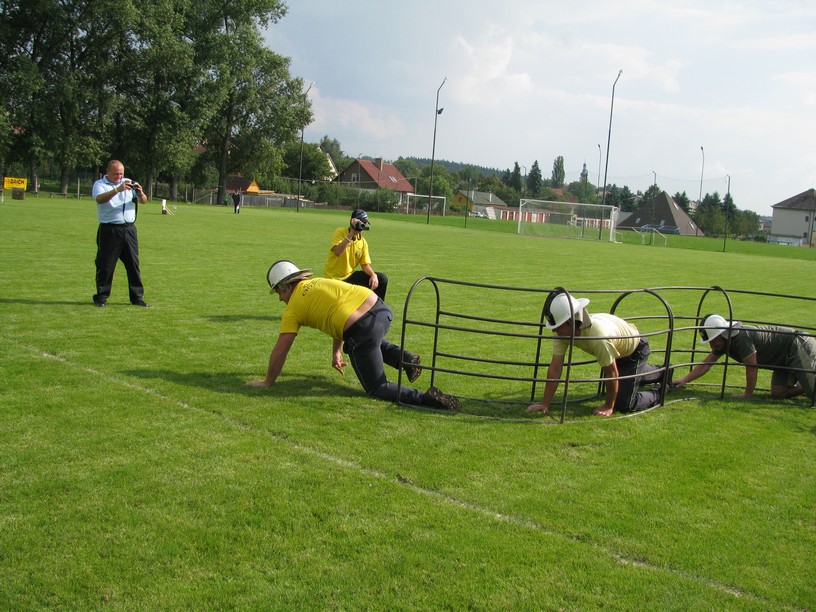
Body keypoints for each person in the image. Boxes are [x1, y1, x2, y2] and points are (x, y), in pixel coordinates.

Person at [248, 260, 460, 410]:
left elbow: (281, 349)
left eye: (278, 292)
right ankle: (405, 359)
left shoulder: (293, 309)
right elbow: (340, 313)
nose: (279, 299)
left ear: (286, 286)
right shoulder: (319, 282)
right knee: (366, 341)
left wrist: (268, 381)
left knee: (377, 386)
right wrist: (336, 352)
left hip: (362, 329)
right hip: (381, 310)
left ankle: (425, 398)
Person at [527, 290, 664, 417]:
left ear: (571, 322)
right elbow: (555, 368)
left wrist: (608, 406)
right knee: (625, 379)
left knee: (624, 404)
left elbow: (611, 373)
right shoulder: (562, 334)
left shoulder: (598, 336)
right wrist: (545, 404)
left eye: (558, 326)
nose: (554, 331)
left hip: (634, 350)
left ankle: (661, 391)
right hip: (617, 350)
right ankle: (664, 372)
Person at [672, 314, 816, 401]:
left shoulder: (741, 337)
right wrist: (684, 380)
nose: (711, 345)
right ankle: (804, 382)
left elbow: (752, 367)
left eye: (713, 340)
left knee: (814, 396)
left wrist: (747, 394)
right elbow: (706, 365)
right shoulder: (723, 343)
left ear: (722, 334)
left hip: (797, 345)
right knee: (778, 393)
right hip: (782, 359)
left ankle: (808, 378)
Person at [91, 159, 149, 307]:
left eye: (121, 173)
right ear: (108, 172)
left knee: (133, 264)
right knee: (106, 264)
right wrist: (117, 189)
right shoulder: (100, 185)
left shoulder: (129, 182)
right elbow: (100, 199)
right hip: (110, 230)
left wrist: (140, 192)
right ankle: (101, 297)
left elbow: (144, 201)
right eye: (116, 174)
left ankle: (137, 298)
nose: (119, 177)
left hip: (129, 229)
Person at [324, 209, 388, 301]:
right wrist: (351, 233)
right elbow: (337, 252)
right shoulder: (340, 232)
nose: (362, 226)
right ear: (352, 222)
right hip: (334, 278)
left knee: (382, 279)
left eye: (364, 224)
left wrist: (373, 275)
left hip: (349, 276)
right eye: (361, 223)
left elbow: (365, 265)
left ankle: (376, 310)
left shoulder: (363, 242)